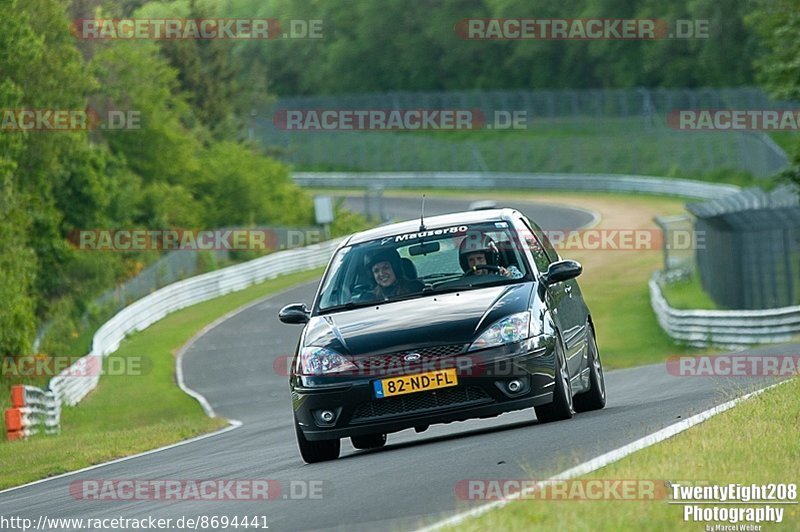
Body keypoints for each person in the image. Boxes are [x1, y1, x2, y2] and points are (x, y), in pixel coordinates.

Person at [458, 233, 523, 279]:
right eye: (471, 260)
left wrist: (508, 276)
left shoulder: (509, 271)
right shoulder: (464, 281)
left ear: (489, 258)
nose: (476, 264)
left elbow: (522, 285)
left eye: (480, 258)